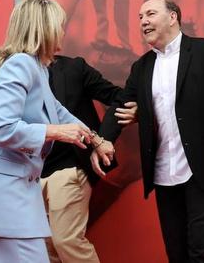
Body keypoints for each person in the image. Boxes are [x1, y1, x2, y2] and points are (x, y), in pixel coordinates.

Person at [92, 0, 204, 263]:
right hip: (165, 175)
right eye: (140, 17)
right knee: (176, 254)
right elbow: (120, 105)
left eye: (151, 14)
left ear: (173, 17)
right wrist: (104, 140)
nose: (144, 21)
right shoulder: (141, 67)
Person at [0, 0, 105, 263]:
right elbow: (0, 128)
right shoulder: (20, 65)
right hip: (1, 197)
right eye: (59, 25)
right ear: (43, 29)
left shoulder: (38, 69)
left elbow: (60, 112)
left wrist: (96, 140)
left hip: (13, 195)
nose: (63, 32)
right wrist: (56, 132)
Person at [41, 56, 136, 263]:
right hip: (30, 175)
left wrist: (102, 140)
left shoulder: (74, 67)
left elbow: (117, 97)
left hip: (69, 169)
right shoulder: (16, 72)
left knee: (66, 241)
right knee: (46, 248)